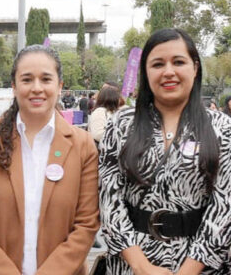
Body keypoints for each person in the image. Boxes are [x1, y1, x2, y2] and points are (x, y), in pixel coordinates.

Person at [0, 45, 99, 275]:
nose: (36, 88)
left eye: (46, 79)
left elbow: (87, 224)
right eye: (26, 79)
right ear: (13, 86)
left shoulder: (83, 146)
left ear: (60, 86)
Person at [99, 28, 231, 274]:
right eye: (158, 64)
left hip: (201, 264)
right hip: (132, 263)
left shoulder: (222, 127)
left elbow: (225, 208)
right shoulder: (120, 124)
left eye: (178, 62)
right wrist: (141, 266)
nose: (168, 71)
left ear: (195, 67)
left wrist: (188, 271)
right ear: (145, 72)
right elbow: (109, 201)